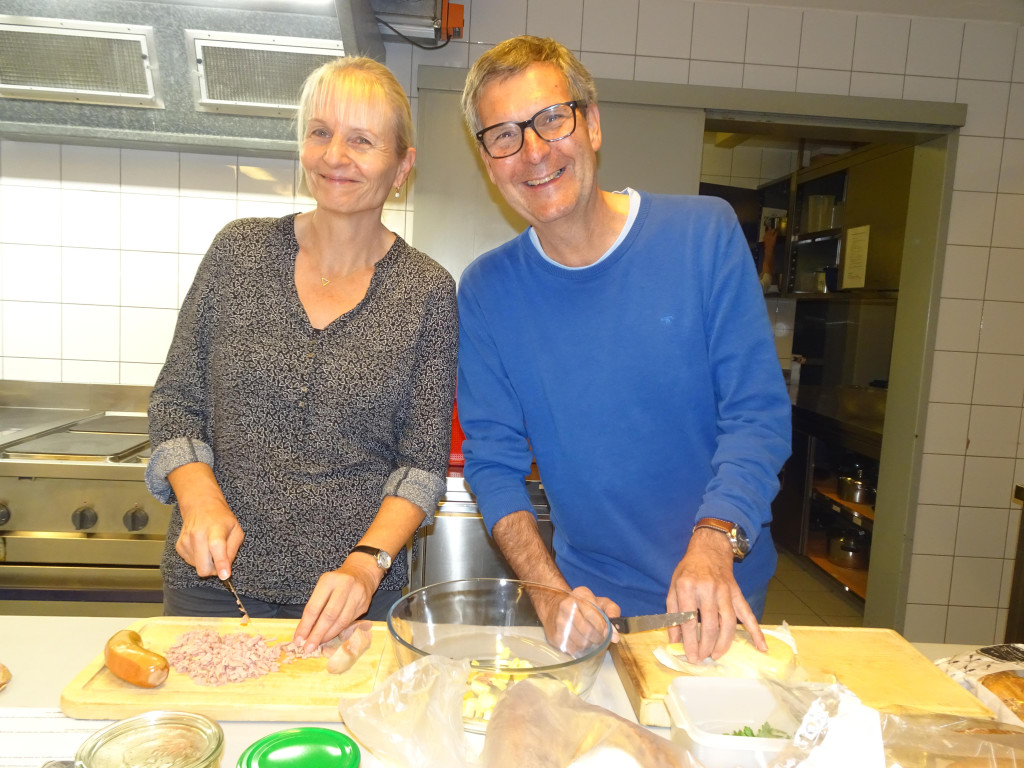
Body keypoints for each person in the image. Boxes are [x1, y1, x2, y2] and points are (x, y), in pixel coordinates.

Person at [456, 36, 791, 663]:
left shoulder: (704, 235)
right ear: (488, 161)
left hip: (721, 595)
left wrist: (713, 541)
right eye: (504, 135)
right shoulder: (485, 290)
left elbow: (756, 416)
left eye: (551, 119)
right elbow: (493, 464)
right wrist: (549, 594)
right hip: (596, 607)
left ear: (592, 123)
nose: (533, 151)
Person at [146, 57, 458, 652]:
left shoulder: (427, 292)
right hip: (212, 583)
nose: (335, 155)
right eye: (321, 132)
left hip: (352, 596)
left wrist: (366, 564)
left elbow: (421, 465)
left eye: (361, 140)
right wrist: (199, 498)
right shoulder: (238, 253)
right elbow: (176, 402)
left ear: (402, 166)